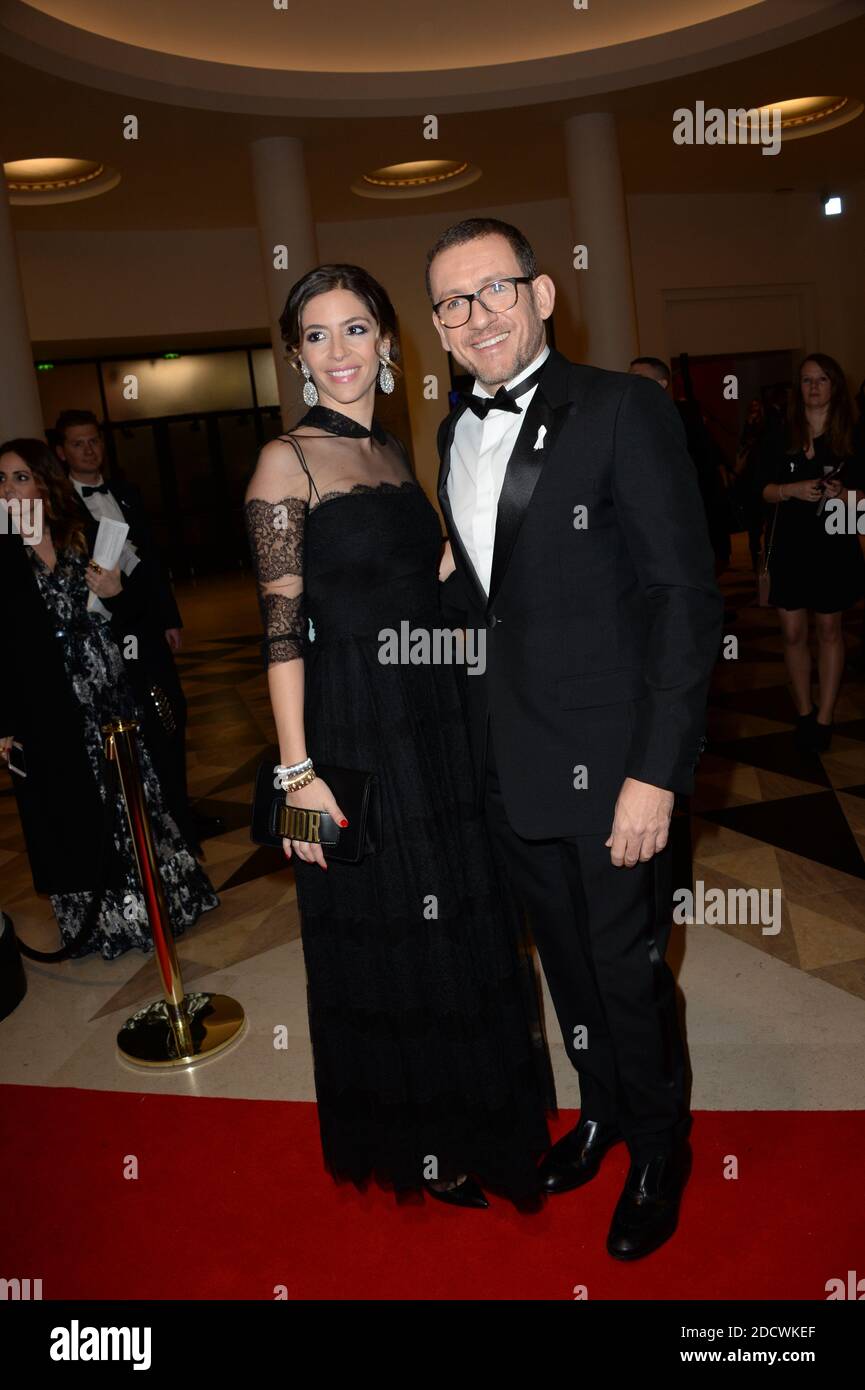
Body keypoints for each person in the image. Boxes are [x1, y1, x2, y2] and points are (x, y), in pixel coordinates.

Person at [429, 218, 722, 1259]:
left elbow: (683, 600)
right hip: (508, 765)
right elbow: (497, 589)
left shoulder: (622, 409)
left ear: (543, 294)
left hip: (614, 769)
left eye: (493, 289)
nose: (475, 316)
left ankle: (660, 1148)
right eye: (451, 303)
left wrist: (655, 774)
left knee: (625, 970)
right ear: (437, 328)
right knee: (564, 963)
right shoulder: (451, 434)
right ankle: (600, 1112)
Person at [243, 264, 554, 1208]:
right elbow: (280, 632)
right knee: (382, 927)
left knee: (454, 912)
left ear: (385, 342)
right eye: (317, 335)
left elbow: (416, 581)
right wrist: (296, 776)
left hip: (431, 717)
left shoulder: (389, 452)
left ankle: (477, 1115)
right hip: (348, 726)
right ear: (296, 356)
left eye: (355, 329)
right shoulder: (284, 462)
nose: (338, 351)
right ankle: (424, 1141)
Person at [0, 439, 218, 959]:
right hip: (46, 708)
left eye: (20, 477)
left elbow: (142, 610)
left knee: (133, 801)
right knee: (72, 813)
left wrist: (120, 595)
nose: (8, 490)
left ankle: (160, 906)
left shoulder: (93, 534)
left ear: (46, 482)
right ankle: (102, 924)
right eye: (0, 480)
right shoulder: (2, 554)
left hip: (113, 696)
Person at [54, 409, 222, 851]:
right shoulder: (60, 507)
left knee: (170, 711)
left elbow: (151, 561)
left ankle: (180, 813)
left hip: (145, 623)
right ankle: (149, 822)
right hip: (104, 631)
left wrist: (169, 617)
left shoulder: (126, 492)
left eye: (94, 440)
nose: (89, 450)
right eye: (78, 443)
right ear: (61, 452)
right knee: (133, 721)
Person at [759, 353, 865, 752]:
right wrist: (791, 490)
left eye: (822, 379)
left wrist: (844, 494)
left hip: (834, 541)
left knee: (829, 630)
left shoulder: (853, 433)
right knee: (792, 632)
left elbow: (863, 502)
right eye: (806, 380)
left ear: (834, 385)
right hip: (790, 544)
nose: (814, 387)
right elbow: (758, 490)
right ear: (797, 388)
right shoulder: (779, 432)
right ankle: (804, 710)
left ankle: (824, 717)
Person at [630, 356, 732, 576]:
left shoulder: (683, 416)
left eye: (638, 377)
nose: (631, 383)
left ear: (661, 384)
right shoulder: (632, 418)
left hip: (686, 515)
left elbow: (701, 465)